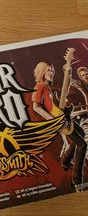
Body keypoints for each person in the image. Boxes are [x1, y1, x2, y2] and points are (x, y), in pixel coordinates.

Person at [32, 60, 87, 189]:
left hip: (64, 117)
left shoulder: (48, 87)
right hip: (58, 121)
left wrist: (68, 72)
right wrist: (53, 120)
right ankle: (77, 180)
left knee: (82, 132)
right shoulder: (39, 87)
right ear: (41, 72)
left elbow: (60, 98)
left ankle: (65, 161)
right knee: (82, 144)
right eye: (48, 70)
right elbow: (36, 107)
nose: (51, 73)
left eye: (52, 70)